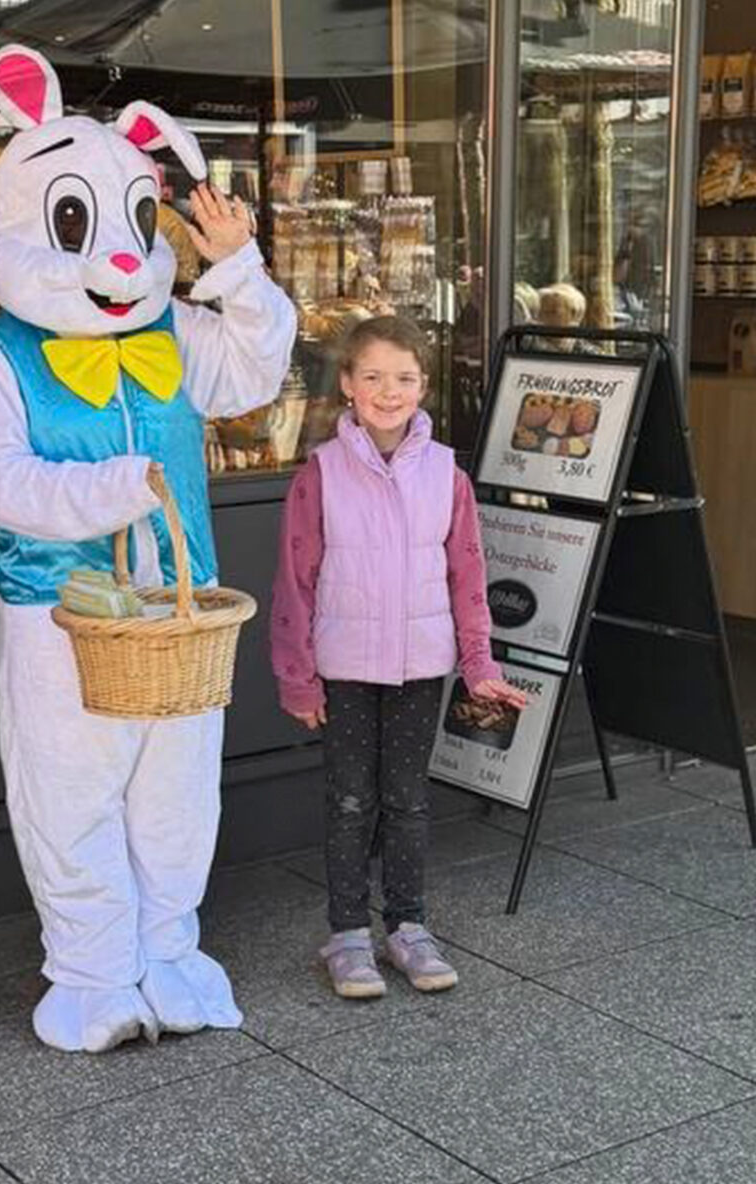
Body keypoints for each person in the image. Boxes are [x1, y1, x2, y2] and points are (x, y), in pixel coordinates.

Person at [0, 45, 295, 1052]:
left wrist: (234, 264)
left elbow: (252, 372)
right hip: (57, 606)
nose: (118, 257)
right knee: (70, 789)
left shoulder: (177, 327)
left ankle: (168, 955)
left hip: (174, 608)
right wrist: (106, 489)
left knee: (177, 789)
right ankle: (95, 970)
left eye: (136, 227)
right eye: (76, 222)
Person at [269, 315, 529, 1000]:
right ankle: (348, 935)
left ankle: (409, 927)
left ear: (424, 385)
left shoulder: (447, 475)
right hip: (346, 668)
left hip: (421, 665)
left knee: (409, 800)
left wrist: (481, 666)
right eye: (374, 377)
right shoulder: (320, 475)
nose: (390, 391)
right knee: (351, 800)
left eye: (405, 378)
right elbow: (294, 582)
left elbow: (468, 578)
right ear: (348, 385)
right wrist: (297, 677)